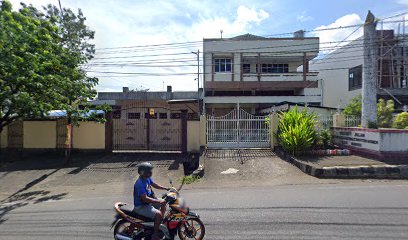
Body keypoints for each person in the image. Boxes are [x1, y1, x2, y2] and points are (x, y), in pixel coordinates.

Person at [133, 162, 169, 240]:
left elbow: (154, 184)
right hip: (141, 206)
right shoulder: (139, 183)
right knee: (158, 214)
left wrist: (165, 188)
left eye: (150, 171)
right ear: (143, 173)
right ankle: (155, 235)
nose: (151, 173)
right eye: (148, 171)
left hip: (148, 202)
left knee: (164, 202)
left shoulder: (146, 178)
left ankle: (158, 223)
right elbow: (144, 198)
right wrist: (158, 201)